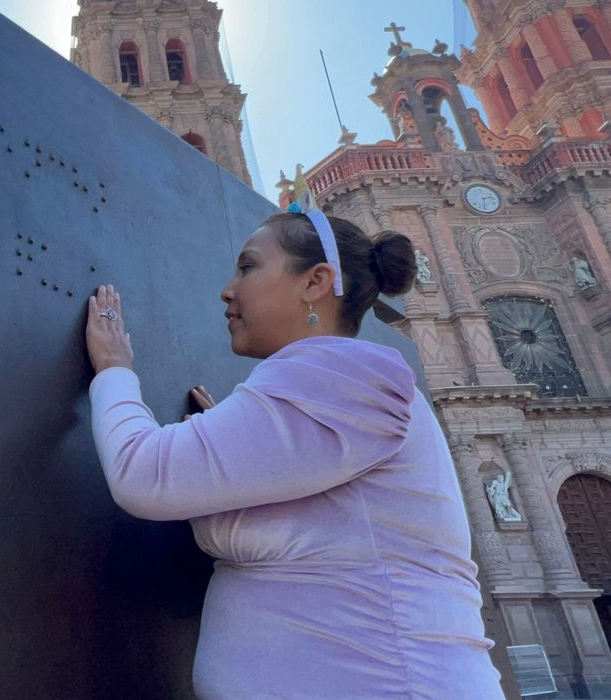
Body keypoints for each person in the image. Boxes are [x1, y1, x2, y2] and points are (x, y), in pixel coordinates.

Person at [83, 207, 503, 698]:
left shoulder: (344, 379)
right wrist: (231, 439)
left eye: (248, 267)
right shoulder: (333, 390)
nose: (228, 289)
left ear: (315, 282)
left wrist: (114, 370)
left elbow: (142, 474)